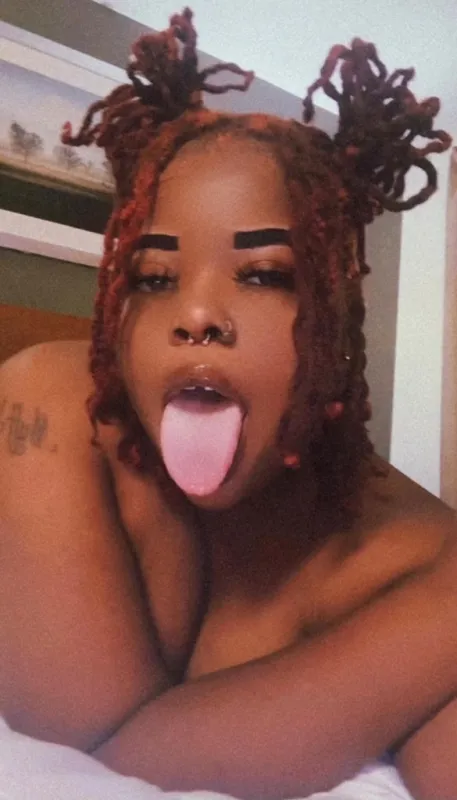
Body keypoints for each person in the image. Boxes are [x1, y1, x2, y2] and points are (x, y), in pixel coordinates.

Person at [0, 8, 456, 799]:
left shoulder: (414, 560)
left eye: (264, 273)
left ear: (338, 319)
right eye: (153, 278)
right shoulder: (51, 408)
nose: (197, 314)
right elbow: (76, 762)